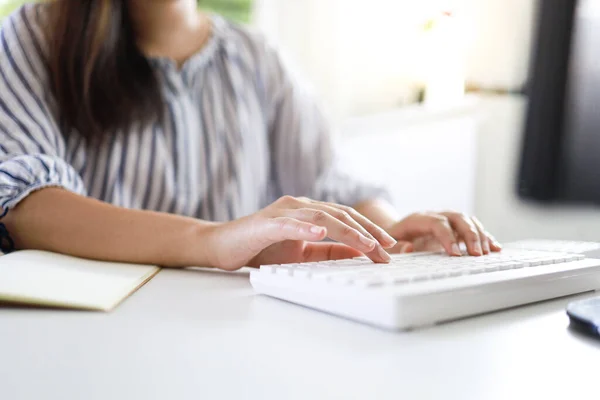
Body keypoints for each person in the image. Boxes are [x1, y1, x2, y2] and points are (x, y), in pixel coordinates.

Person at [0, 0, 501, 270]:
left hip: (236, 331)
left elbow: (330, 182)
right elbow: (25, 205)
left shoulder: (257, 57)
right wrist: (215, 241)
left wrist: (392, 237)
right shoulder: (33, 36)